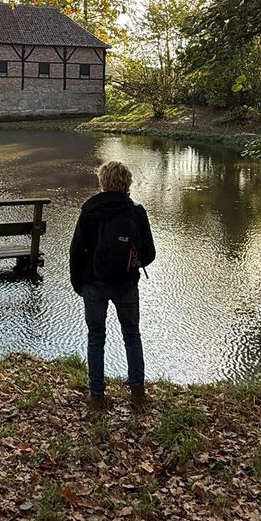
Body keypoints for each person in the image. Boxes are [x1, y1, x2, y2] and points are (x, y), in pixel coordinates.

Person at [69, 159, 156, 410]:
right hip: (126, 284)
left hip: (94, 285)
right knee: (132, 335)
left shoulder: (90, 211)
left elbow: (76, 252)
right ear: (127, 182)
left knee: (96, 337)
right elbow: (149, 253)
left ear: (103, 182)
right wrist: (131, 263)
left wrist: (78, 284)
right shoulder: (136, 212)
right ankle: (137, 393)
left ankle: (97, 394)